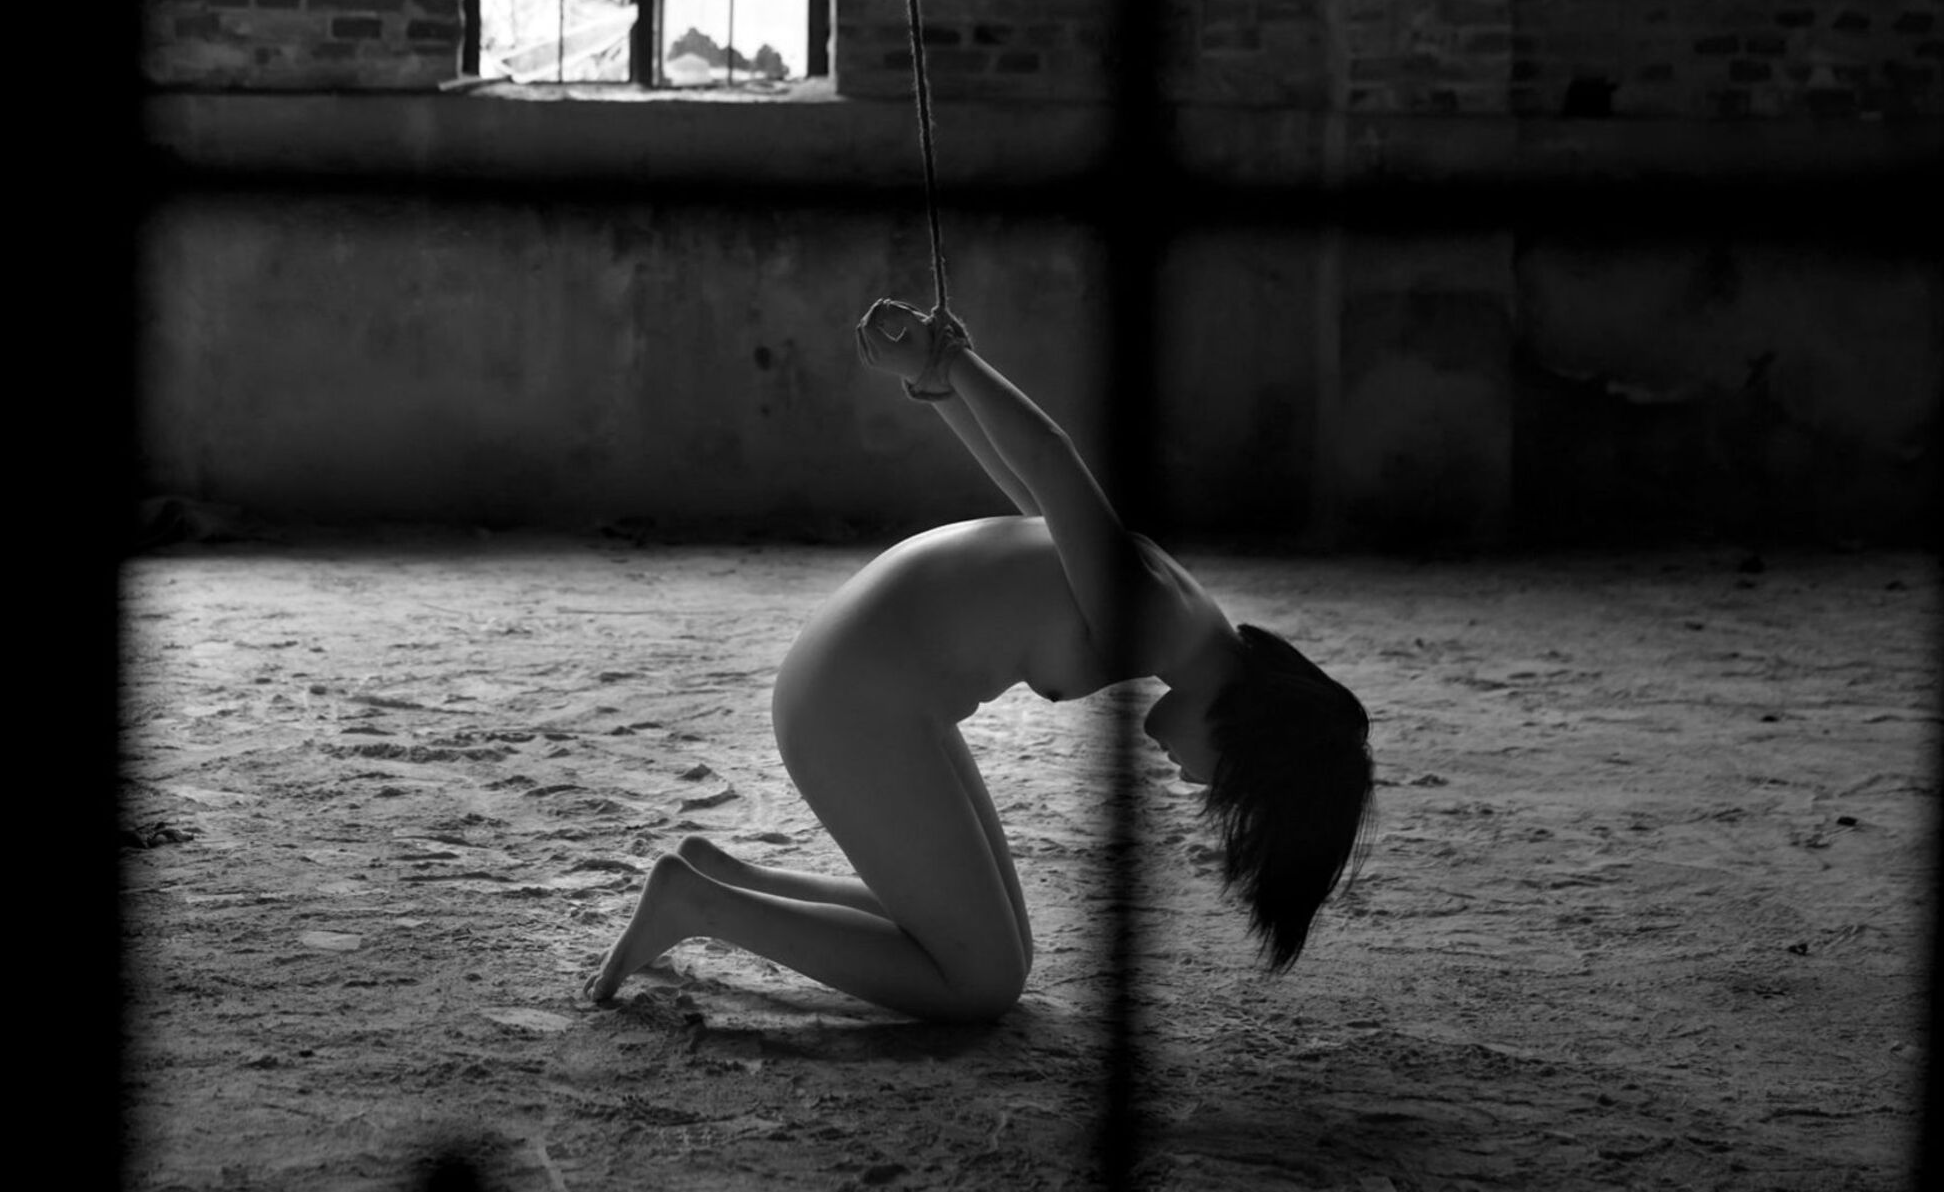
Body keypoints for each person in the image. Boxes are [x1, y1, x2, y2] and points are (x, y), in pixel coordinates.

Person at [583, 298, 1374, 1021]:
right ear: (1250, 738)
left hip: (879, 687)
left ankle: (726, 877)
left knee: (1005, 952)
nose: (1194, 781)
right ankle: (698, 906)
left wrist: (942, 383)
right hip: (849, 699)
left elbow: (1034, 498)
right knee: (981, 982)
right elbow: (1050, 458)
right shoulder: (1152, 619)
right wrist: (952, 363)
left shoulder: (1181, 611)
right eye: (1220, 781)